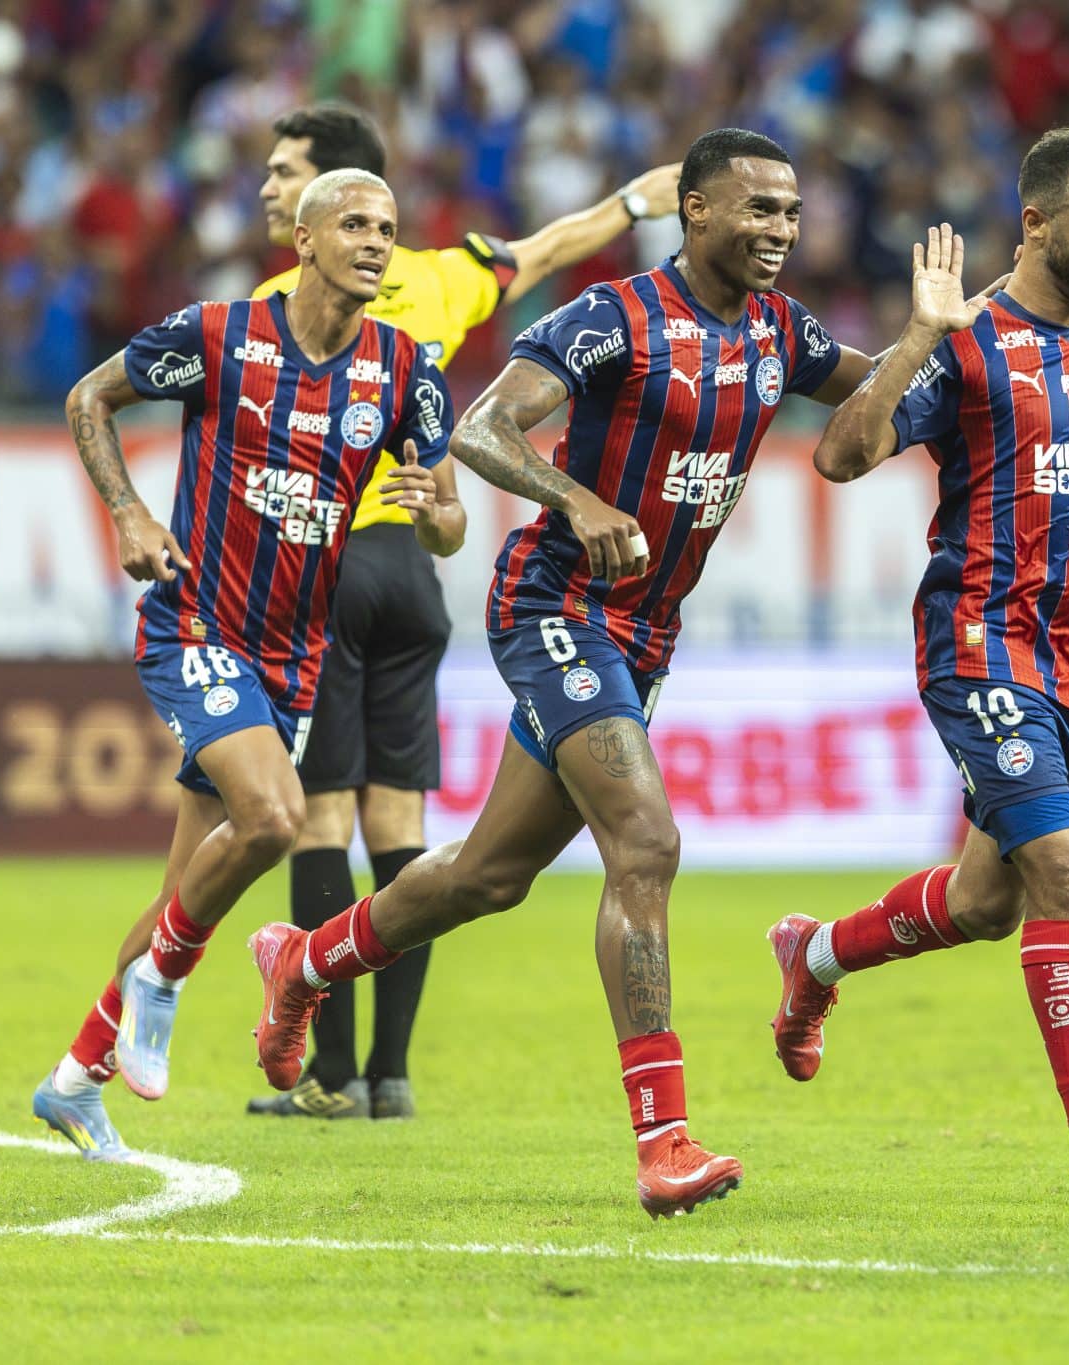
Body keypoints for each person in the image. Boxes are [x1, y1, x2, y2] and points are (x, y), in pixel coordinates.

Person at [246, 129, 883, 1218]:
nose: (779, 230)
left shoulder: (783, 331)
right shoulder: (612, 318)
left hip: (644, 633)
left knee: (487, 878)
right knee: (646, 841)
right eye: (756, 210)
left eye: (789, 211)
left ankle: (302, 966)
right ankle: (664, 1137)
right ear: (693, 212)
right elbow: (485, 430)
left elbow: (877, 403)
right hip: (554, 606)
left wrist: (950, 339)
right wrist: (577, 502)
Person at [765, 128, 1069, 1219]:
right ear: (1036, 224)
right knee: (1067, 875)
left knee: (985, 902)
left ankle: (812, 959)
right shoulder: (966, 342)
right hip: (979, 646)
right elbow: (838, 455)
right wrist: (915, 339)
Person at [245, 103, 682, 1121]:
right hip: (415, 573)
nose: (269, 189)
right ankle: (392, 1075)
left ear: (326, 197)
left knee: (321, 821)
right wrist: (628, 202)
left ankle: (328, 1075)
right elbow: (546, 248)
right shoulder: (441, 277)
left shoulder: (283, 298)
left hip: (329, 567)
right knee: (400, 825)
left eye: (284, 174)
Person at [31, 169, 456, 1160]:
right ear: (303, 240)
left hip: (294, 660)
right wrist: (131, 512)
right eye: (354, 224)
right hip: (198, 627)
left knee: (191, 885)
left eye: (388, 229)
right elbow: (90, 397)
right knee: (274, 819)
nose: (375, 241)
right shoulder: (221, 336)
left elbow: (446, 520)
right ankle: (162, 985)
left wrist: (439, 516)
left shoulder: (404, 370)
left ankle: (72, 1083)